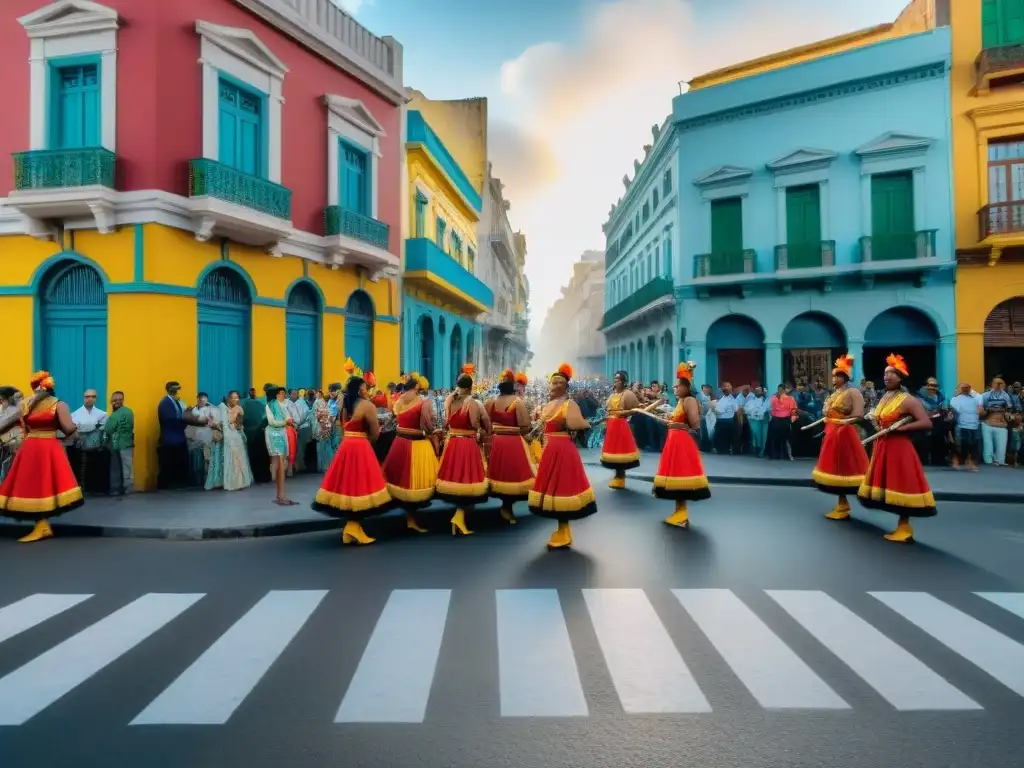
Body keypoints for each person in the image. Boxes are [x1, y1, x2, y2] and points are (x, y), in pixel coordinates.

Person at [856, 354, 937, 543]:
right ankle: (901, 526)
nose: (887, 376)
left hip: (900, 449)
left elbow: (926, 423)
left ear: (900, 377)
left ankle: (905, 527)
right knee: (889, 484)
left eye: (892, 373)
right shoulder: (885, 396)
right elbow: (878, 419)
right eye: (885, 373)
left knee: (902, 485)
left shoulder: (908, 399)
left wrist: (902, 428)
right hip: (882, 446)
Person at [0, 371, 83, 543]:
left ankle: (41, 525)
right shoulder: (59, 405)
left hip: (29, 448)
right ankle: (42, 525)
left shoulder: (25, 404)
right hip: (48, 447)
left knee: (30, 486)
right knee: (45, 485)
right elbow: (68, 429)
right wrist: (75, 428)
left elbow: (10, 425)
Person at [312, 374, 392, 545]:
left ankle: (351, 528)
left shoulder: (345, 406)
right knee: (360, 487)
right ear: (360, 389)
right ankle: (353, 527)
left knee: (348, 486)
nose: (367, 390)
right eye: (365, 387)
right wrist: (367, 445)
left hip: (346, 444)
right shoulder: (367, 405)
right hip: (360, 445)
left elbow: (342, 427)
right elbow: (375, 432)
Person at [528, 363, 596, 550]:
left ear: (566, 385)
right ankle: (562, 530)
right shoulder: (548, 405)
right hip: (549, 450)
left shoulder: (569, 404)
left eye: (559, 382)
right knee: (553, 490)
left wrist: (583, 424)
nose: (555, 385)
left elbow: (577, 424)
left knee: (562, 489)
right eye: (553, 382)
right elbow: (542, 426)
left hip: (563, 450)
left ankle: (564, 531)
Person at [652, 362, 711, 528]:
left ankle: (682, 512)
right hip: (674, 443)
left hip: (682, 444)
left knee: (681, 478)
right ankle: (679, 511)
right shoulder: (681, 401)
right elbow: (677, 420)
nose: (675, 389)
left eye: (677, 386)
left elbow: (695, 425)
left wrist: (675, 425)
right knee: (675, 479)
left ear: (686, 387)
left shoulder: (690, 400)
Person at [435, 364, 491, 536]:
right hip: (467, 444)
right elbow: (476, 424)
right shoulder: (473, 404)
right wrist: (484, 430)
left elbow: (445, 423)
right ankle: (459, 517)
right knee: (467, 481)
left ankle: (460, 516)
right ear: (470, 387)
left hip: (452, 443)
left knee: (455, 479)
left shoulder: (449, 401)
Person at [812, 355, 869, 521]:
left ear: (844, 377)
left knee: (845, 468)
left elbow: (859, 414)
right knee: (835, 470)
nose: (834, 378)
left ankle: (849, 502)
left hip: (844, 433)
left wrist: (840, 421)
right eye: (834, 376)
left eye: (837, 376)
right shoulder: (834, 394)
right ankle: (842, 504)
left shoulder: (853, 392)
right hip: (832, 432)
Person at [381, 372, 437, 534]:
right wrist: (433, 433)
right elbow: (427, 424)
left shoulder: (398, 399)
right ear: (418, 386)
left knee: (400, 479)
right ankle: (411, 519)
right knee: (415, 483)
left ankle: (408, 518)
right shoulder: (423, 402)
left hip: (399, 443)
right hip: (417, 445)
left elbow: (394, 417)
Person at [485, 369, 536, 525]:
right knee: (512, 476)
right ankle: (507, 507)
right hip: (513, 443)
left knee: (499, 475)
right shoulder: (517, 402)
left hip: (495, 442)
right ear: (513, 390)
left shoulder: (491, 403)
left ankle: (505, 506)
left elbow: (485, 423)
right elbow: (525, 425)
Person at [600, 370, 641, 489]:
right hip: (612, 425)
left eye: (618, 379)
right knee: (614, 452)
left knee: (621, 452)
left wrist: (622, 413)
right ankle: (617, 476)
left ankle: (621, 477)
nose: (615, 381)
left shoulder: (628, 394)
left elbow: (636, 409)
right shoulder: (612, 394)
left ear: (623, 382)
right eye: (615, 379)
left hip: (621, 426)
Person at [265, 386, 296, 505]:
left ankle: (280, 494)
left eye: (283, 393)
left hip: (282, 434)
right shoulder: (270, 406)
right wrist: (285, 422)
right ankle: (282, 495)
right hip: (273, 435)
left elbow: (289, 417)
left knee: (281, 465)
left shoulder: (284, 405)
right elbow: (272, 422)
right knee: (280, 465)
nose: (283, 396)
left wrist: (289, 421)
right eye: (280, 393)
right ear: (275, 395)